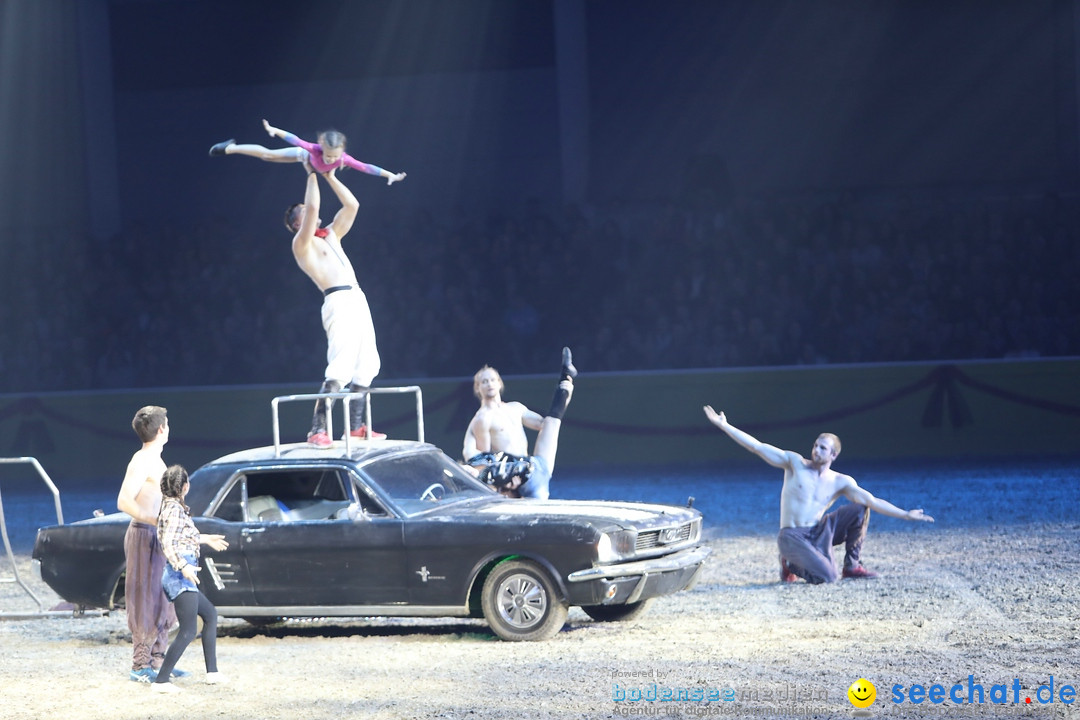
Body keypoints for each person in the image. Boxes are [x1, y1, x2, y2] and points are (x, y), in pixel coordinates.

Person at [703, 406, 934, 584]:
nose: (816, 450)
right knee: (829, 577)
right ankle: (790, 563)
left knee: (860, 509)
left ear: (833, 454)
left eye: (822, 448)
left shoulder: (840, 481)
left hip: (817, 532)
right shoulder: (795, 463)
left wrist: (905, 514)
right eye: (815, 445)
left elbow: (871, 500)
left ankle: (852, 566)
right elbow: (758, 446)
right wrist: (725, 425)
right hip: (792, 536)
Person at [288, 168, 384, 447]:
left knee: (368, 363)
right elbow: (315, 204)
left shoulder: (330, 234)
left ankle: (355, 427)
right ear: (297, 224)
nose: (311, 210)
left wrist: (330, 175)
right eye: (303, 211)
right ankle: (317, 429)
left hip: (357, 297)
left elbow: (352, 205)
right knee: (340, 368)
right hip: (337, 301)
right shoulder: (302, 244)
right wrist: (311, 172)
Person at [151, 465, 229, 693]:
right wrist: (183, 566)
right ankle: (161, 681)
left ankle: (212, 672)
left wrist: (205, 538)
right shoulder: (173, 509)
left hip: (182, 571)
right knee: (187, 630)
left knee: (210, 614)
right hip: (179, 574)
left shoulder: (172, 507)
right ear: (184, 487)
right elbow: (168, 543)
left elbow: (184, 535)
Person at [116, 406, 179, 682]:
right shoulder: (141, 460)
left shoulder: (156, 460)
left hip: (157, 535)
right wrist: (154, 520)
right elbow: (123, 501)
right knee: (144, 598)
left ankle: (158, 660)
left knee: (162, 597)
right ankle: (141, 664)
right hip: (144, 534)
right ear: (161, 429)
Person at [462, 348, 576, 499]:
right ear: (478, 388)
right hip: (516, 476)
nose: (489, 384)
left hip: (535, 465)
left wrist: (564, 395)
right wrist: (503, 484)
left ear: (499, 383)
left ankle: (566, 379)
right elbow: (486, 458)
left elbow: (544, 425)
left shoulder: (515, 408)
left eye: (492, 380)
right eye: (484, 381)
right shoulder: (483, 418)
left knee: (552, 423)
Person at [209, 119, 407, 185]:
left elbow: (366, 167)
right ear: (321, 144)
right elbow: (295, 139)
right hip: (303, 157)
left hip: (318, 171)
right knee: (268, 155)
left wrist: (389, 175)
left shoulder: (343, 159)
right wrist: (275, 130)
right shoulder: (314, 148)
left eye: (334, 156)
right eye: (328, 155)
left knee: (323, 181)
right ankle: (230, 147)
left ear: (342, 151)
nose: (331, 158)